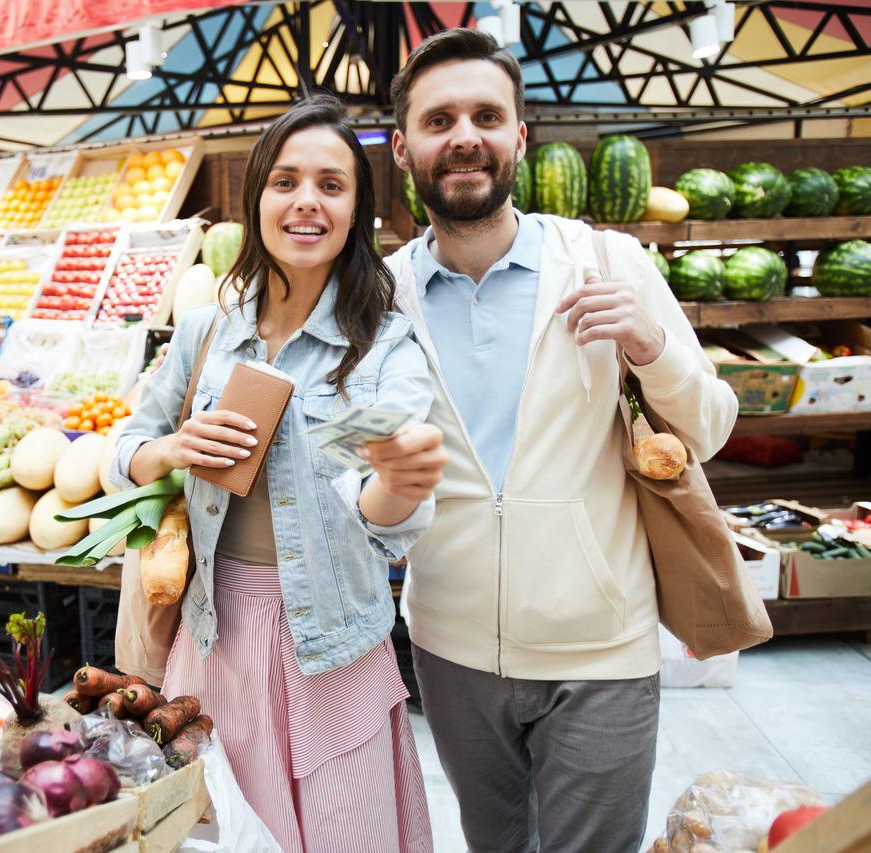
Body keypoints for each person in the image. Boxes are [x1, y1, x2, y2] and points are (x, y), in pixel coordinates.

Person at [382, 29, 739, 852]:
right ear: (404, 148)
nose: (464, 135)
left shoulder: (605, 261)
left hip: (601, 651)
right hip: (451, 648)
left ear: (519, 137)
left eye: (485, 115)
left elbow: (711, 428)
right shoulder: (383, 295)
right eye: (439, 120)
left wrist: (651, 348)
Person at [111, 95, 445, 853]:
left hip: (333, 642)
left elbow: (382, 500)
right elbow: (123, 446)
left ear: (357, 208)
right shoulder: (204, 330)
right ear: (256, 194)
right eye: (285, 180)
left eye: (332, 184)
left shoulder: (384, 343)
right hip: (215, 634)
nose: (306, 201)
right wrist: (171, 449)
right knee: (229, 831)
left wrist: (397, 481)